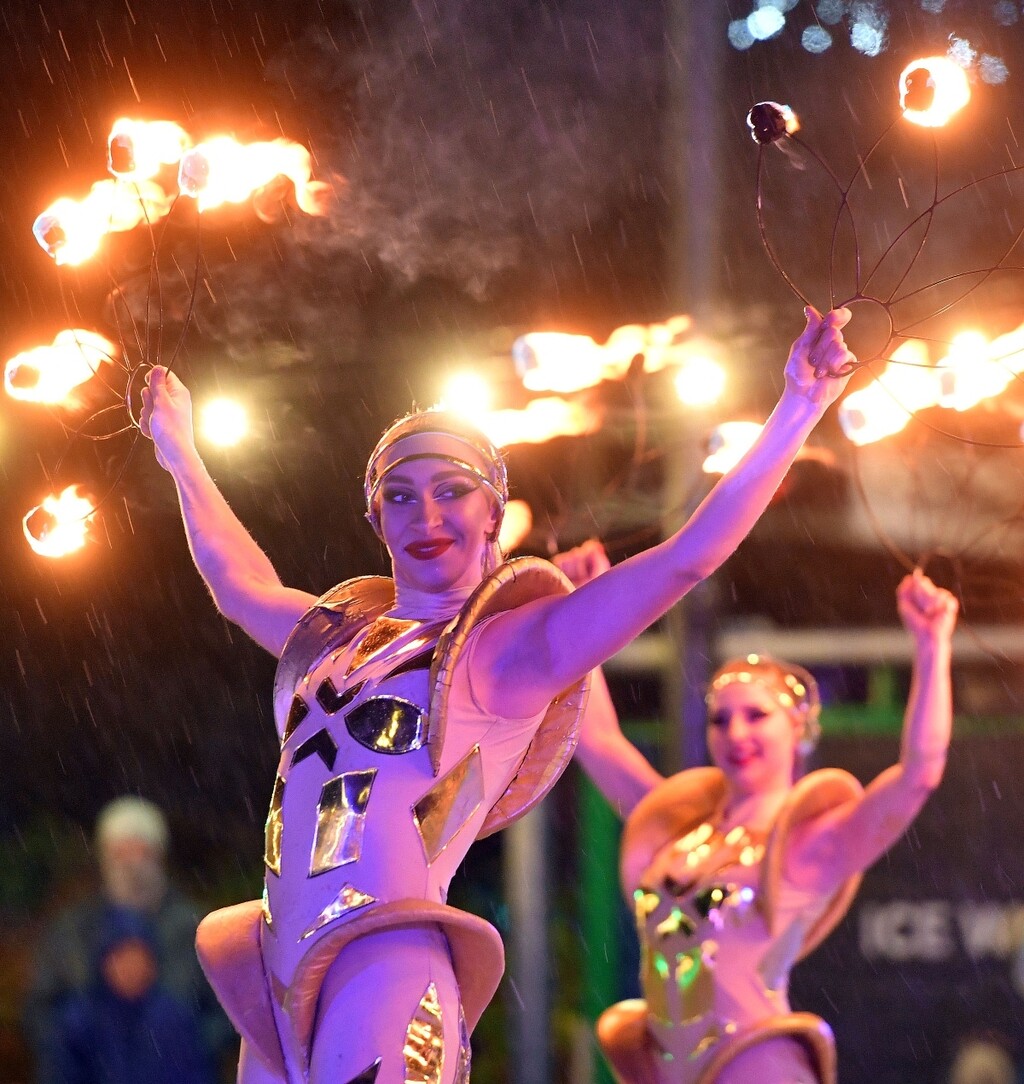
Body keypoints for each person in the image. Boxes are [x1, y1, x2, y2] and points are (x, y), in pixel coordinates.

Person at [138, 306, 855, 1084]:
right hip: (280, 960)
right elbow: (240, 585)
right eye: (403, 496)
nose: (429, 516)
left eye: (452, 491)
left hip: (385, 958)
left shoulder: (508, 651)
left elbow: (686, 559)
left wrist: (798, 406)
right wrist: (179, 451)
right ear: (375, 513)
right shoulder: (334, 639)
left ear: (492, 508)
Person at [554, 539, 958, 1084]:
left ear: (799, 730)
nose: (735, 733)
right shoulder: (679, 832)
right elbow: (596, 736)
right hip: (667, 1067)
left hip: (757, 1066)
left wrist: (932, 647)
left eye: (755, 715)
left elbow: (919, 775)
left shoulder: (806, 843)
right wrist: (586, 605)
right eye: (720, 720)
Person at [26, 796, 232, 1084]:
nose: (131, 865)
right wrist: (83, 1046)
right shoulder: (70, 931)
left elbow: (229, 1012)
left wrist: (184, 1043)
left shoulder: (199, 930)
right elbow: (41, 1011)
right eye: (120, 853)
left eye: (141, 851)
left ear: (159, 855)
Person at [50, 907, 215, 1084]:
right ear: (104, 963)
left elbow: (197, 1073)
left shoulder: (174, 1017)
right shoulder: (80, 1021)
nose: (130, 968)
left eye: (138, 958)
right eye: (121, 958)